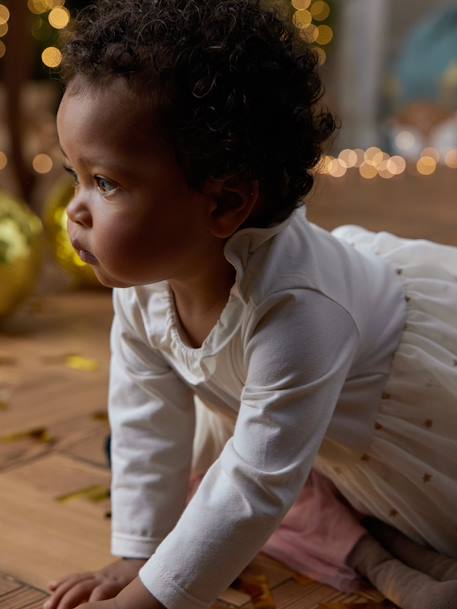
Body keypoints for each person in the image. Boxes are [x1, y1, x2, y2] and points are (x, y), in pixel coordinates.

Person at [44, 1, 457, 608]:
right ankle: (385, 557)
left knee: (242, 493)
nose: (75, 209)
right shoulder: (146, 283)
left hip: (396, 421)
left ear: (223, 204)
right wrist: (139, 553)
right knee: (192, 483)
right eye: (73, 175)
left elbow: (256, 484)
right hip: (283, 418)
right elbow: (145, 412)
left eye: (105, 183)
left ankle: (413, 556)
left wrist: (150, 602)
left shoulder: (299, 311)